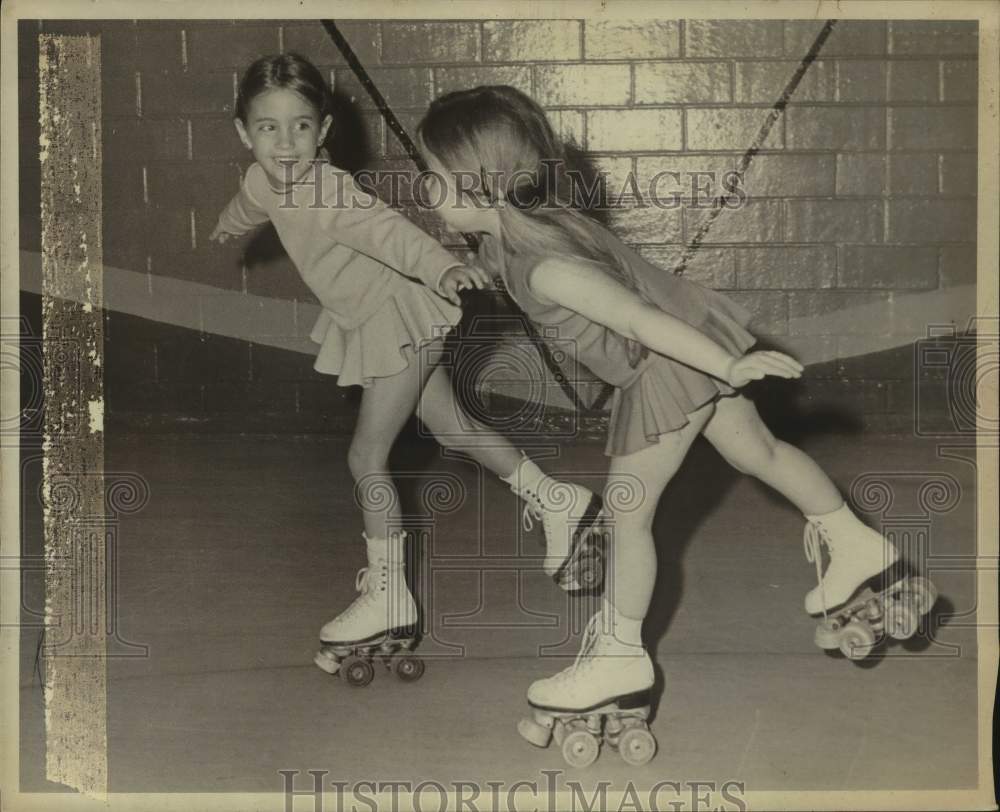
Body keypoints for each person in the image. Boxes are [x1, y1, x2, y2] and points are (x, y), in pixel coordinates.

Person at [416, 85, 899, 712]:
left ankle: (619, 660)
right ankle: (857, 542)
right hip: (687, 344)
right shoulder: (529, 231)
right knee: (759, 452)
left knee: (625, 517)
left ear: (477, 185)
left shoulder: (544, 265)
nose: (424, 191)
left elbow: (638, 319)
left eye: (432, 177)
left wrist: (729, 363)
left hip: (667, 364)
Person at [210, 56, 602, 675]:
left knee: (366, 457)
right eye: (268, 129)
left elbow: (393, 235)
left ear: (325, 129)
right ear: (243, 133)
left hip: (398, 318)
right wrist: (226, 225)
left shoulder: (330, 190)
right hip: (371, 322)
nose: (286, 145)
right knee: (454, 428)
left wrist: (444, 268)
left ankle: (389, 595)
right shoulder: (264, 181)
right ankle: (558, 502)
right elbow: (248, 202)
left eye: (301, 127)